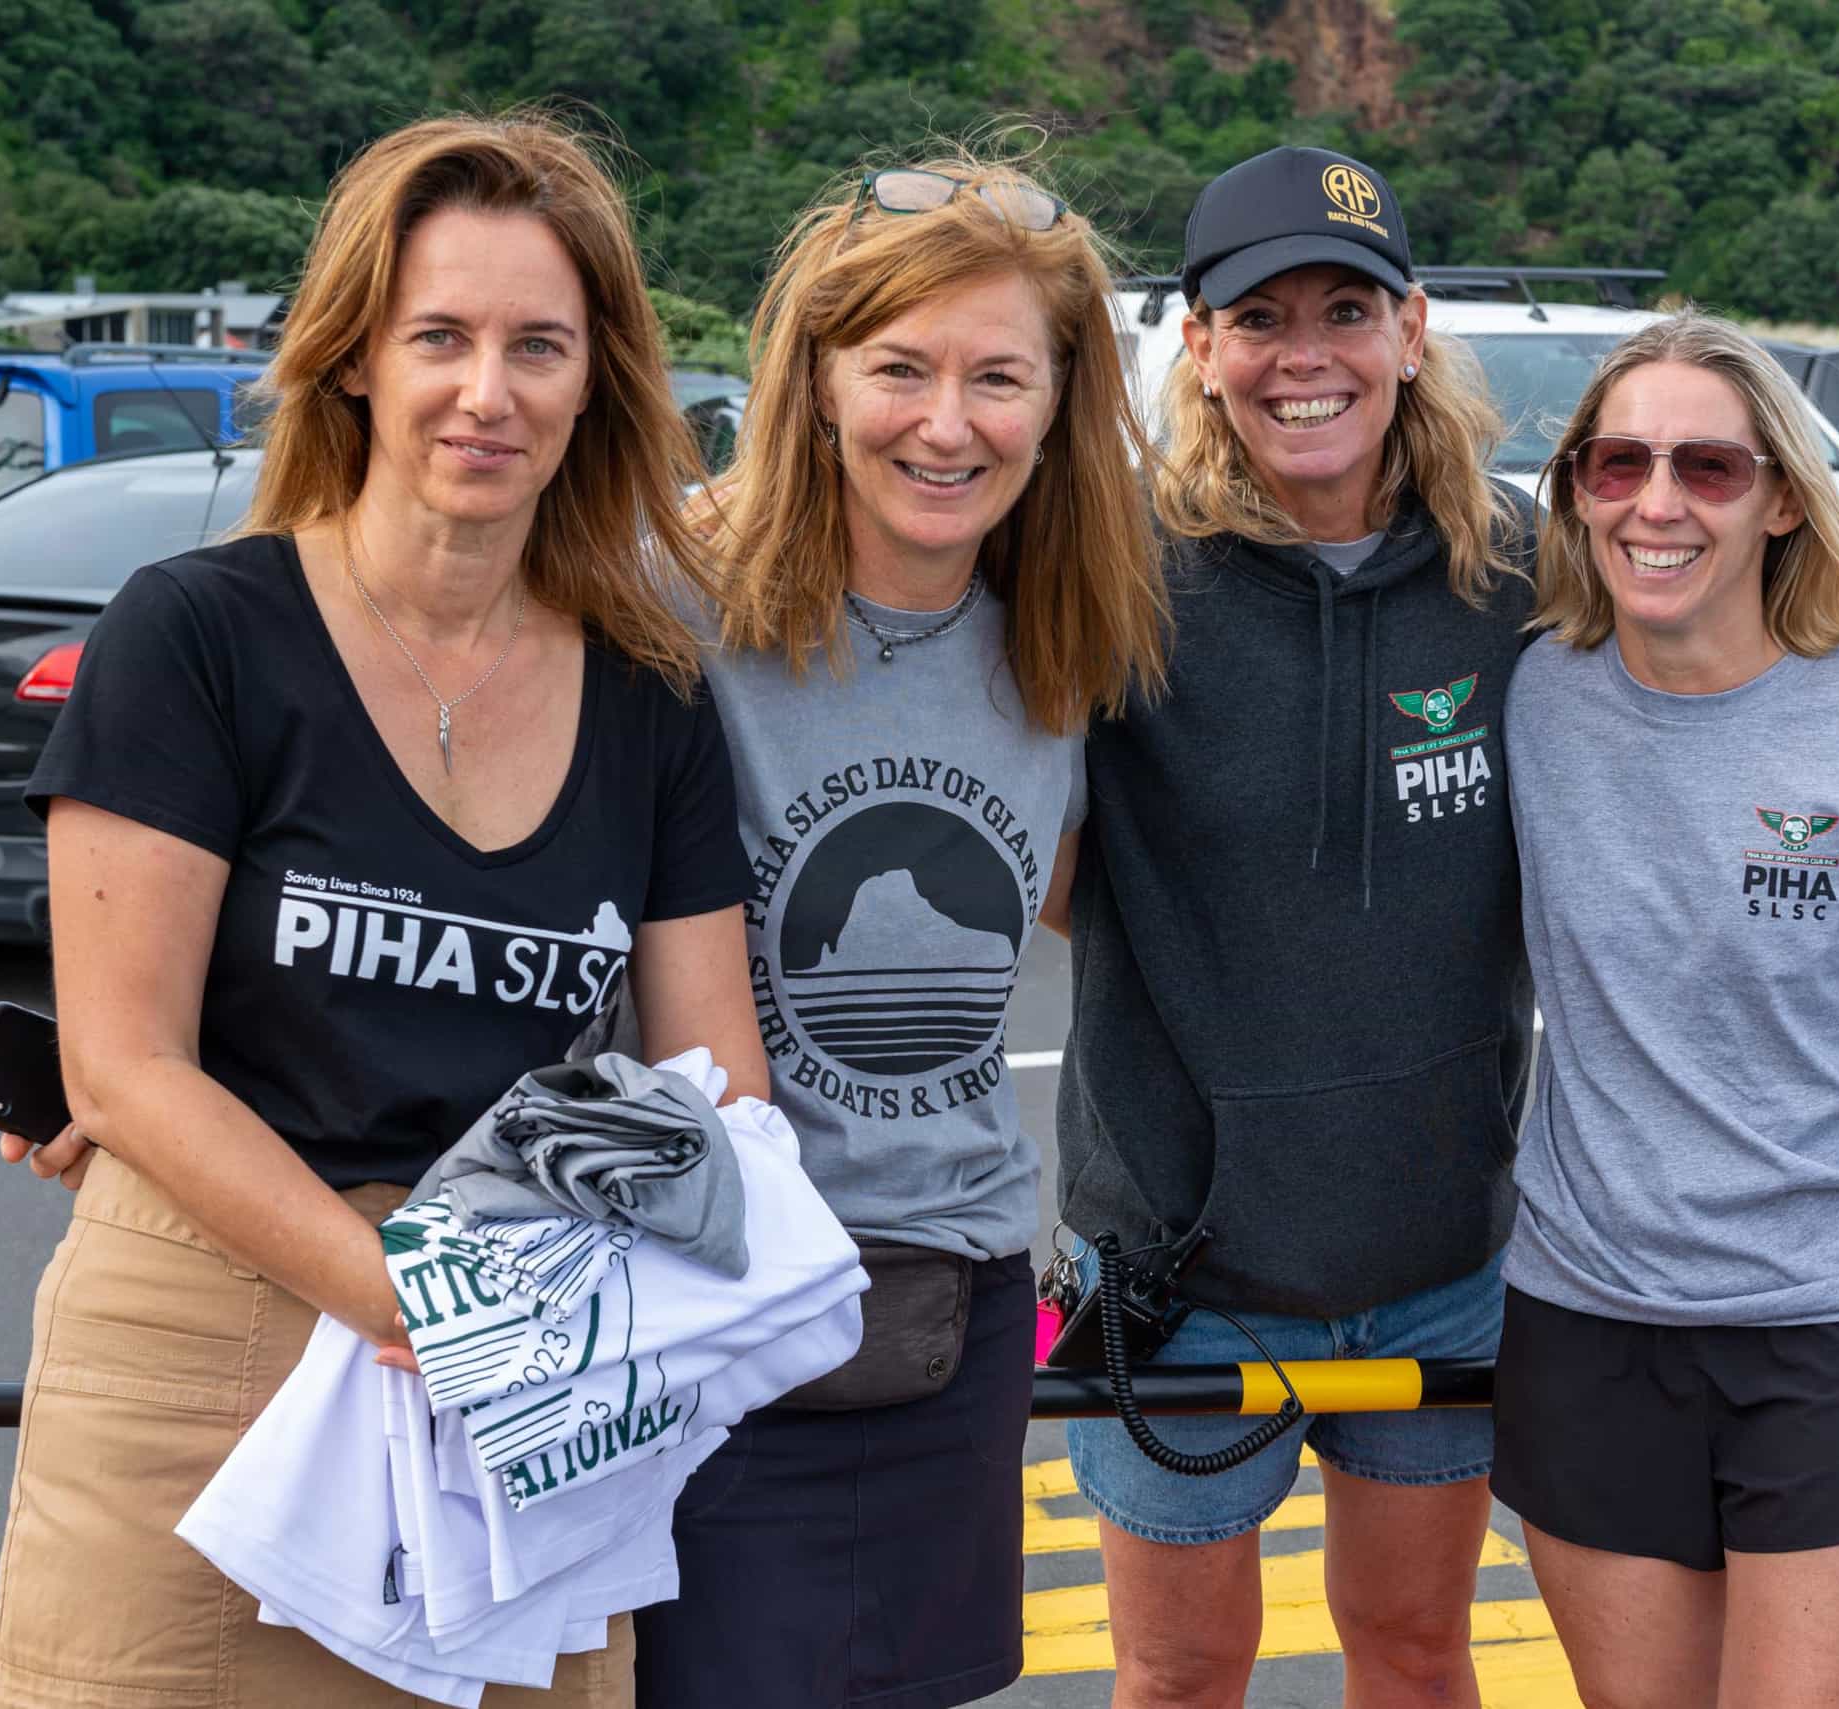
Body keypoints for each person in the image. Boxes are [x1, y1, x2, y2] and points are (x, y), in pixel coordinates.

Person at [1048, 145, 1839, 1709]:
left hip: (1443, 1248)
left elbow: (1718, 619)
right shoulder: (1111, 580)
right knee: (1177, 1671)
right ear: (1198, 347)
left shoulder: (1515, 576)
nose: (1304, 356)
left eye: (1346, 311)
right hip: (1175, 1264)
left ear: (1411, 330)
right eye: (1259, 318)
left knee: (1417, 1652)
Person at [0, 113, 765, 1709]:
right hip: (207, 1345)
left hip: (519, 1351)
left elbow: (719, 1087)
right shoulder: (198, 634)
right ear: (352, 357)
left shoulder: (650, 698)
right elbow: (124, 1065)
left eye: (539, 346)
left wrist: (528, 1309)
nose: (489, 391)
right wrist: (416, 1303)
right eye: (440, 338)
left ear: (595, 382)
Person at [627, 154, 1171, 1709]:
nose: (948, 424)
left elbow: (1155, 890)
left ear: (1060, 404)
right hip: (699, 1296)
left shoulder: (1069, 626)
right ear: (814, 379)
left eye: (999, 377)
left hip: (947, 1300)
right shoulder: (668, 600)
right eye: (900, 370)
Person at [1489, 311, 1839, 1708]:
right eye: (1618, 464)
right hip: (1589, 1317)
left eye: (1710, 467)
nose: (1658, 504)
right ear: (1577, 490)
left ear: (1783, 498)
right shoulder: (1531, 692)